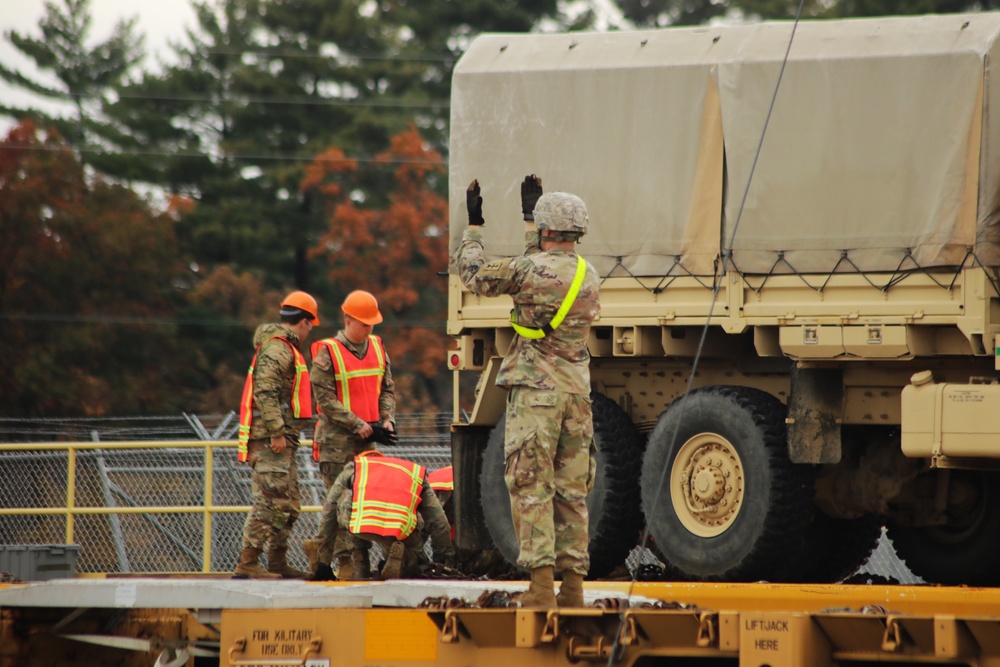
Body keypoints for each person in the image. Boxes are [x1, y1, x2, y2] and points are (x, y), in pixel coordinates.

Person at [452, 175, 601, 608]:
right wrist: (527, 220)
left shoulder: (529, 271)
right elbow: (543, 263)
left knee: (530, 486)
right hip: (576, 393)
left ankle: (540, 591)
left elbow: (473, 275)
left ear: (545, 230)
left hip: (537, 394)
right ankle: (572, 590)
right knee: (572, 492)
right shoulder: (587, 274)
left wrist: (474, 226)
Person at [304, 290, 396, 580]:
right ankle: (345, 562)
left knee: (362, 502)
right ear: (347, 320)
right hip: (335, 443)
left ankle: (333, 555)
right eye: (364, 323)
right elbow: (324, 399)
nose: (369, 328)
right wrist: (356, 423)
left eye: (372, 323)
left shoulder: (378, 347)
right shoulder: (327, 352)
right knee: (340, 502)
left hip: (367, 440)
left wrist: (387, 419)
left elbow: (387, 388)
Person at [234, 291, 319, 579]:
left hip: (282, 441)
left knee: (287, 504)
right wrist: (277, 432)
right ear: (305, 322)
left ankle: (276, 563)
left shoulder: (283, 348)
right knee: (269, 503)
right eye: (311, 326)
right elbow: (265, 393)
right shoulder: (278, 350)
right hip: (273, 441)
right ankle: (247, 564)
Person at [310, 451, 455, 581]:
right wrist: (441, 563)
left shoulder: (354, 469)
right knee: (416, 563)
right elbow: (439, 522)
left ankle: (361, 565)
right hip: (401, 527)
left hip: (361, 522)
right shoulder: (413, 472)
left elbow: (329, 514)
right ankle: (404, 560)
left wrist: (324, 562)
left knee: (351, 502)